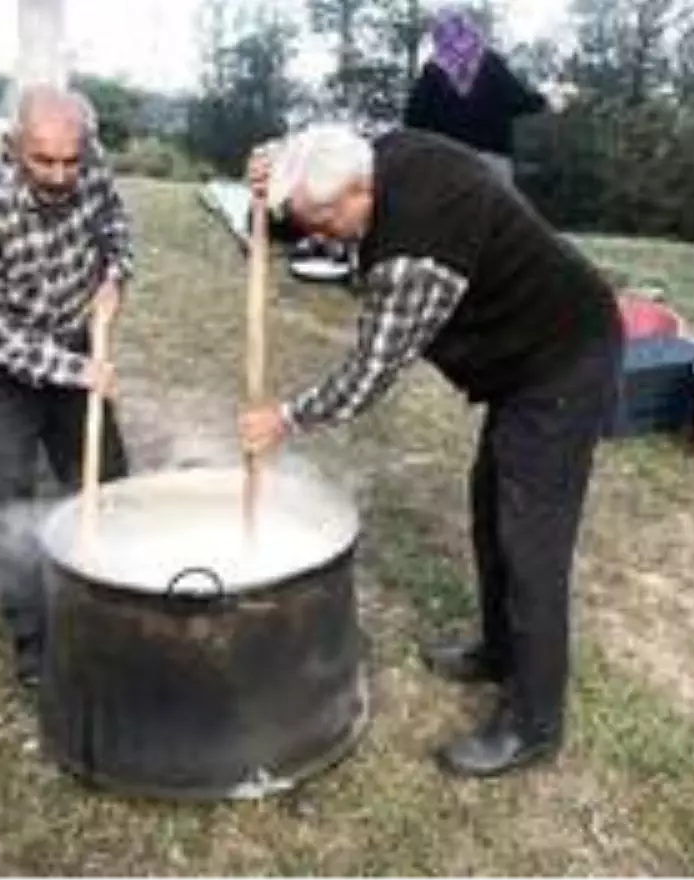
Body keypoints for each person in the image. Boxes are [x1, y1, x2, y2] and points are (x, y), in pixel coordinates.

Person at [239, 123, 622, 779]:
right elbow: (309, 155)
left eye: (326, 221)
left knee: (530, 543)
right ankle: (500, 651)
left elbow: (370, 374)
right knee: (490, 512)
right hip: (522, 356)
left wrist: (286, 418)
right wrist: (271, 171)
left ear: (362, 190)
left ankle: (533, 725)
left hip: (562, 358)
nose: (322, 237)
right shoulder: (372, 151)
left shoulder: (413, 254)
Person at [0, 85, 133, 687]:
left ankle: (122, 601)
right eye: (43, 161)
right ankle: (35, 644)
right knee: (11, 499)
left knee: (105, 480)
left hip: (73, 339)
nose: (59, 175)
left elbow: (117, 230)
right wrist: (75, 370)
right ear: (14, 145)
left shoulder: (92, 173)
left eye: (71, 161)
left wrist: (115, 279)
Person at [404, 6, 547, 184]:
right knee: (494, 211)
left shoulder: (433, 72)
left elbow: (413, 120)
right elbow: (520, 101)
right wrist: (545, 100)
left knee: (451, 212)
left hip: (447, 162)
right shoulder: (490, 63)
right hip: (491, 162)